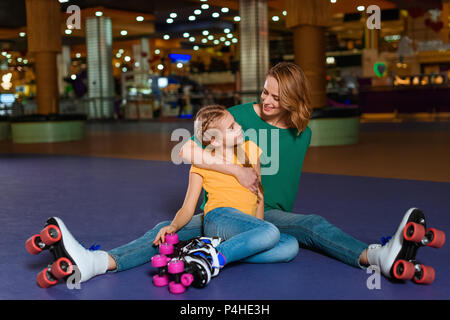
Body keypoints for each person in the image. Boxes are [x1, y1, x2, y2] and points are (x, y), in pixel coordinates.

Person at [30, 62, 431, 286]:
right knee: (166, 228)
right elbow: (184, 148)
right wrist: (233, 171)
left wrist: (249, 182)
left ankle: (375, 255)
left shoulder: (302, 133)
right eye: (265, 91)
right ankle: (95, 263)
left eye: (277, 96)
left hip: (261, 215)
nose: (268, 100)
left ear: (294, 100)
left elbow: (266, 180)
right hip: (224, 211)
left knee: (296, 239)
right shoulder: (236, 116)